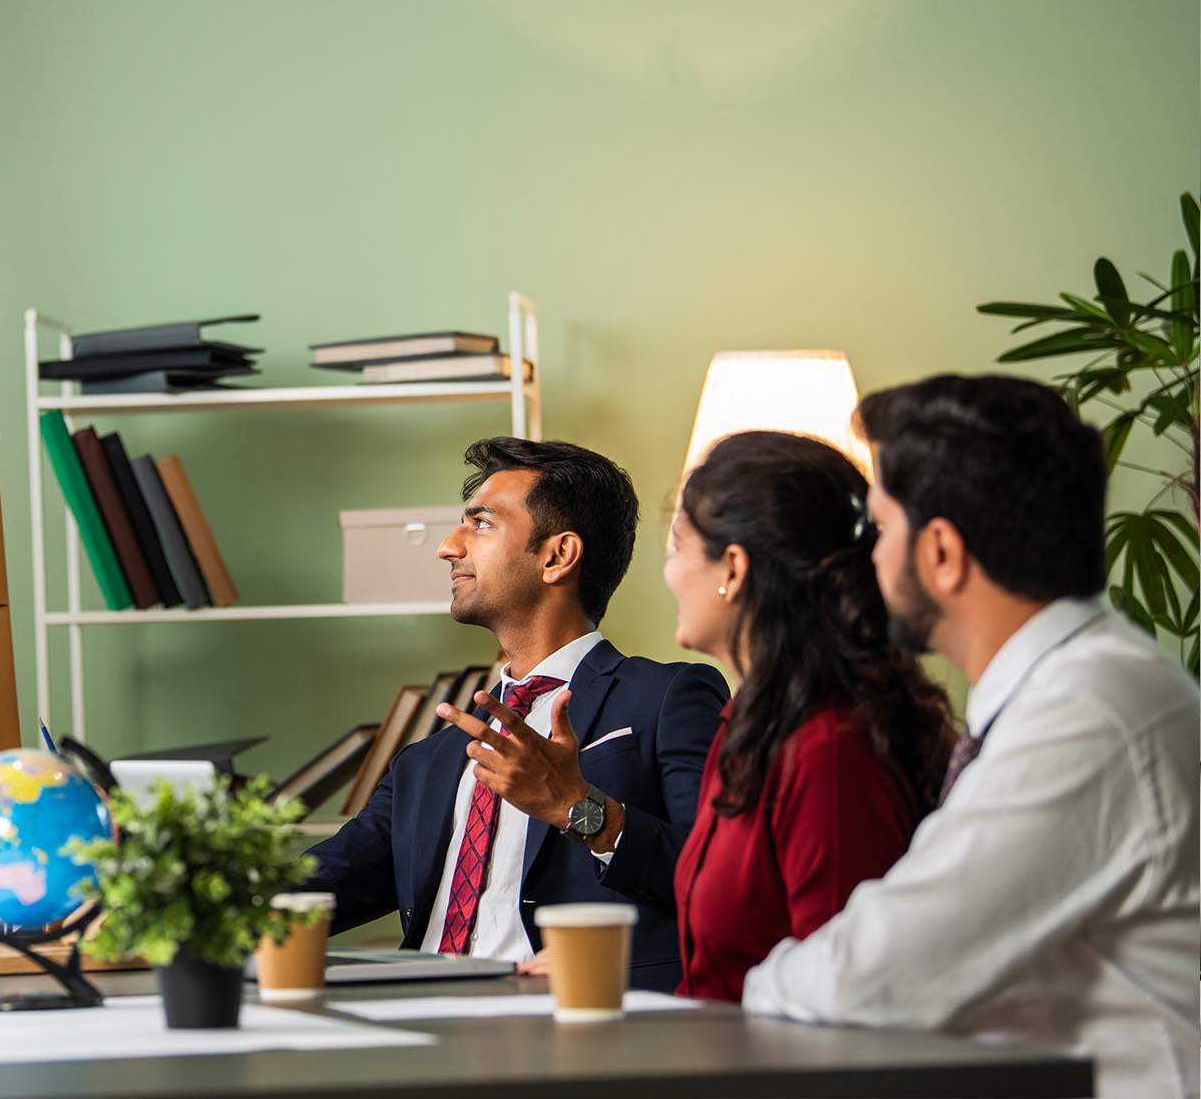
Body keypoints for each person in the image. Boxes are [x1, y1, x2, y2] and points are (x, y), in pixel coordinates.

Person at [741, 375, 1199, 1099]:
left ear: (943, 554)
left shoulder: (1088, 711)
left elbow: (877, 973)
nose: (872, 557)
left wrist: (756, 987)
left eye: (884, 530)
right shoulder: (1071, 687)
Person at [307, 438, 728, 990]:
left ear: (557, 556)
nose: (447, 547)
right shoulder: (428, 760)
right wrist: (186, 890)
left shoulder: (667, 698)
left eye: (481, 523)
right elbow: (321, 883)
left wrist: (578, 807)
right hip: (421, 1023)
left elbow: (719, 882)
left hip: (572, 1021)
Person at [665, 431, 956, 1001]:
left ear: (733, 568)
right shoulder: (745, 724)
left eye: (677, 546)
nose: (669, 571)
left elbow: (846, 1002)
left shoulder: (830, 751)